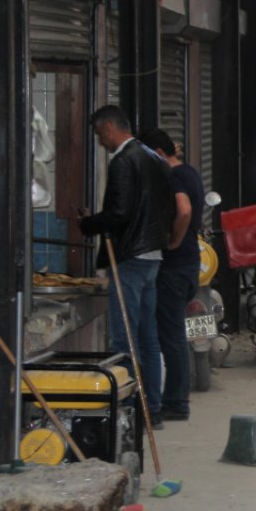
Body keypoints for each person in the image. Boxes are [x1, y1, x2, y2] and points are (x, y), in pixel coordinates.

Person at [78, 106, 176, 425]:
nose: (99, 140)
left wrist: (88, 223)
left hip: (131, 256)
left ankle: (130, 407)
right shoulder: (155, 158)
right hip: (152, 255)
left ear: (108, 128)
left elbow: (119, 212)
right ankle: (153, 409)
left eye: (98, 133)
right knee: (147, 335)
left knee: (124, 338)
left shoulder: (123, 160)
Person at [138, 129, 204, 422]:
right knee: (174, 333)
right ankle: (176, 398)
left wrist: (173, 241)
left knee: (171, 335)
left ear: (159, 154)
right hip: (188, 265)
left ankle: (176, 402)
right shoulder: (190, 173)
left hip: (175, 265)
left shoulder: (175, 177)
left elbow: (185, 211)